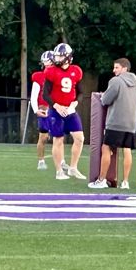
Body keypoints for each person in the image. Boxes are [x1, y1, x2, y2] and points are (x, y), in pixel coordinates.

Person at [89, 57, 136, 189]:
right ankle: (125, 182)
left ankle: (101, 180)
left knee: (106, 148)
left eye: (116, 67)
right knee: (126, 150)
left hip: (115, 122)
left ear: (125, 68)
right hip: (131, 123)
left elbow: (105, 100)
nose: (114, 70)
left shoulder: (116, 81)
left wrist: (103, 96)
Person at [42, 42, 85, 180]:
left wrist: (74, 104)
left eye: (60, 56)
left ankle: (73, 168)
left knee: (80, 138)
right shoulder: (51, 71)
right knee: (58, 139)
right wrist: (56, 106)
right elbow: (45, 94)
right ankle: (59, 171)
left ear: (67, 57)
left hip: (70, 110)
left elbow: (80, 92)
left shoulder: (76, 71)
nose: (57, 59)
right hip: (56, 110)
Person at [29, 50, 55, 170]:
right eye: (45, 63)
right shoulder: (39, 77)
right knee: (43, 137)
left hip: (56, 109)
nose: (47, 66)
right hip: (44, 109)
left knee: (59, 137)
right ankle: (41, 161)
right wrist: (35, 110)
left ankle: (61, 161)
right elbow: (34, 96)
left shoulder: (59, 76)